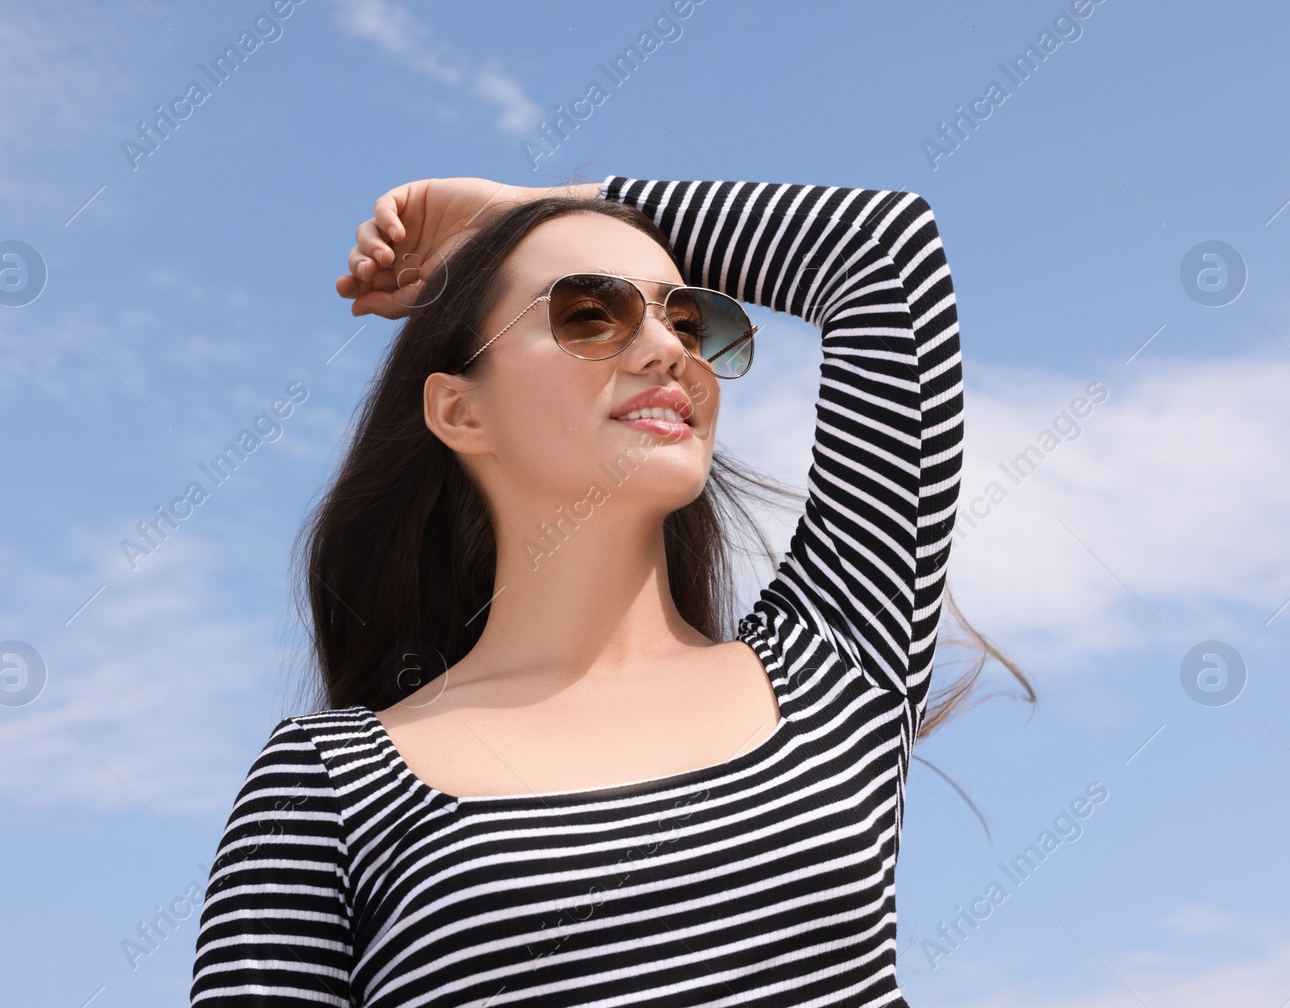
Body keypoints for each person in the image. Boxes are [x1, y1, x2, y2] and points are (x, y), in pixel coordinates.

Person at [189, 174, 1029, 1006]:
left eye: (693, 322)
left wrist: (522, 208)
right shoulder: (328, 785)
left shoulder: (832, 665)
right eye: (589, 313)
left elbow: (882, 249)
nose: (671, 350)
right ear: (458, 410)